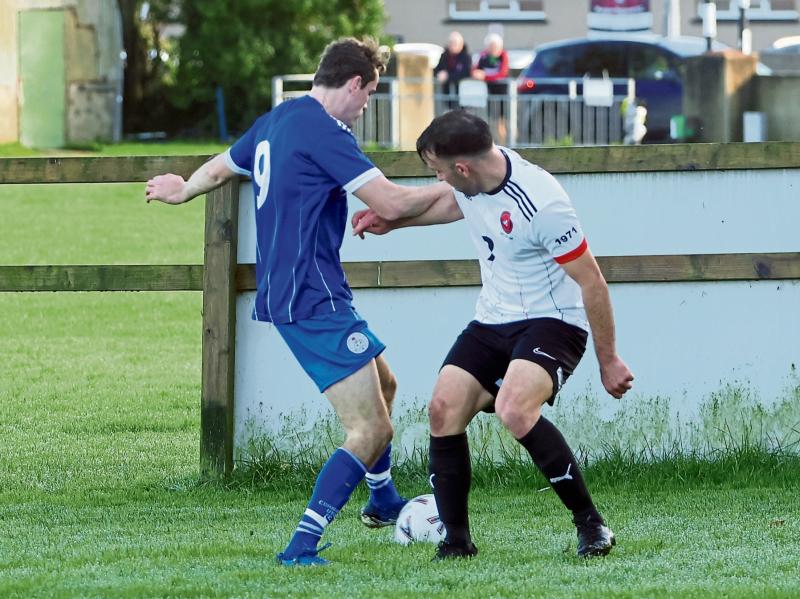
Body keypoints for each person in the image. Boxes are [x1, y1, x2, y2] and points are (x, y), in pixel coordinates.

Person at [145, 37, 451, 567]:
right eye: (370, 95)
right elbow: (391, 202)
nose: (365, 108)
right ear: (354, 83)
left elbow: (221, 167)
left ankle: (382, 501)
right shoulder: (324, 131)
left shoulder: (278, 119)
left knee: (386, 384)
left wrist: (183, 189)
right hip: (313, 298)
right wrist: (459, 187)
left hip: (302, 291)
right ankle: (301, 545)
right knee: (371, 428)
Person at [352, 110, 634, 560]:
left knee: (514, 408)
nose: (438, 178)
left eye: (439, 170)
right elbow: (449, 202)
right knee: (443, 407)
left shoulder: (542, 202)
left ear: (461, 168)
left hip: (554, 321)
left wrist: (609, 359)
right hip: (492, 320)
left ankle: (591, 523)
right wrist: (393, 222)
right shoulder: (474, 181)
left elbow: (592, 282)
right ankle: (457, 542)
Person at [472, 33, 510, 142]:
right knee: (491, 122)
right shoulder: (483, 56)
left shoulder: (503, 56)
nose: (493, 49)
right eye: (491, 46)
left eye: (495, 46)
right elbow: (475, 70)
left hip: (503, 95)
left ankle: (507, 144)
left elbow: (502, 73)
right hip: (488, 94)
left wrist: (485, 76)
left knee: (502, 123)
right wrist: (476, 73)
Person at [433, 31, 472, 106]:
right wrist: (438, 74)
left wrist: (448, 76)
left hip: (462, 94)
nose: (453, 45)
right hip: (447, 92)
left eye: (456, 43)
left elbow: (465, 72)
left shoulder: (466, 57)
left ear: (461, 44)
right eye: (451, 43)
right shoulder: (444, 56)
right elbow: (438, 69)